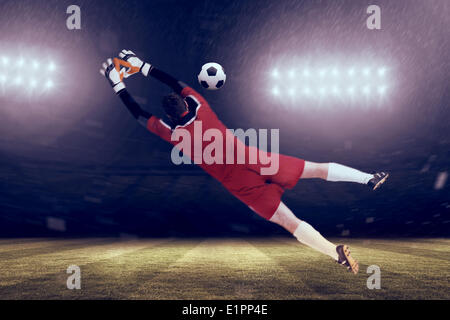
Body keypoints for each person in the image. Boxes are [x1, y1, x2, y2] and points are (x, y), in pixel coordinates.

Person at [100, 50, 389, 274]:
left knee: (289, 222)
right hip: (255, 160)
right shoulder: (202, 107)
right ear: (187, 105)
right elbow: (174, 82)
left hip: (240, 184)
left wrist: (116, 81)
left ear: (172, 118)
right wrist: (141, 65)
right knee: (316, 169)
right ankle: (369, 178)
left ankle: (335, 253)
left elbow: (138, 114)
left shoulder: (174, 134)